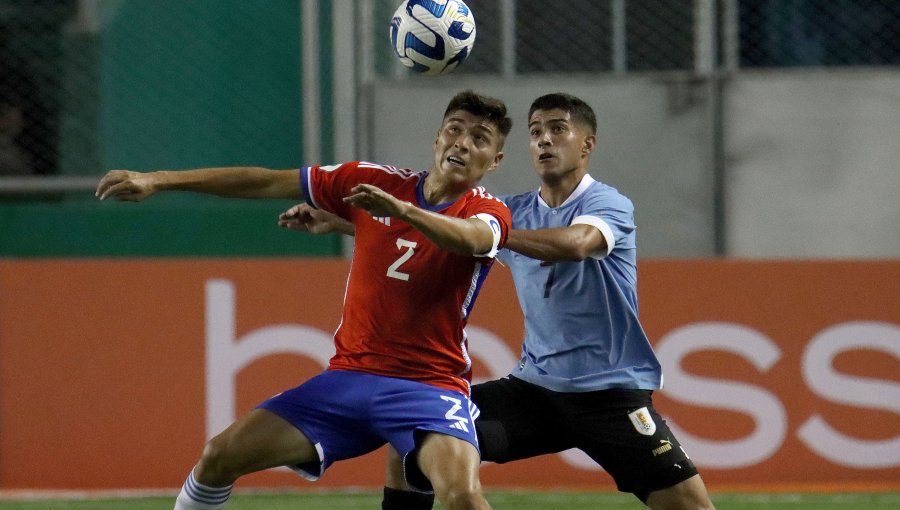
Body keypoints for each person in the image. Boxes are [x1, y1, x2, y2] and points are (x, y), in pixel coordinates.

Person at [290, 93, 715, 510]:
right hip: (534, 394)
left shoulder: (606, 203)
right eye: (535, 132)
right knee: (412, 434)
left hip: (611, 397)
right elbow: (440, 233)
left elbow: (576, 244)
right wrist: (339, 222)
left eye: (557, 130)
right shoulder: (512, 211)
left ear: (587, 145)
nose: (544, 140)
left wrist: (492, 235)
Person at [95, 90, 513, 510]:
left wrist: (401, 212)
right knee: (218, 457)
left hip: (430, 386)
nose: (462, 142)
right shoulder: (376, 182)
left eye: (479, 138)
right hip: (350, 378)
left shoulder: (488, 211)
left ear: (494, 160)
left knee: (462, 497)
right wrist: (159, 180)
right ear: (436, 139)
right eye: (454, 130)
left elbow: (470, 239)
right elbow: (266, 181)